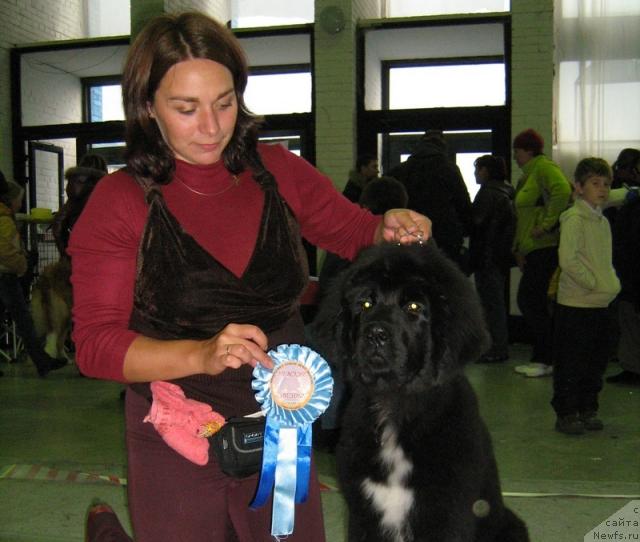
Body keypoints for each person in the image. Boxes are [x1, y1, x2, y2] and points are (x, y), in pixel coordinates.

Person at [68, 12, 431, 542]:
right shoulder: (120, 201)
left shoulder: (278, 171)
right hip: (177, 431)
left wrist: (388, 228)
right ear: (148, 107)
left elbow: (355, 229)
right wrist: (200, 354)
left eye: (224, 102)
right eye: (186, 108)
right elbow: (95, 346)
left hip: (282, 427)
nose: (212, 127)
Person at [313, 175, 409, 452]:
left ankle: (331, 430)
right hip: (365, 335)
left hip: (343, 327)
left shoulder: (349, 240)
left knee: (338, 372)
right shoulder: (396, 246)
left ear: (365, 204)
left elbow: (327, 286)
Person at [551, 158, 620, 434]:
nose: (602, 189)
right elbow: (568, 260)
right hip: (576, 305)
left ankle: (588, 407)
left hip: (601, 303)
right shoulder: (574, 219)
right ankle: (567, 412)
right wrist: (593, 283)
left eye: (606, 184)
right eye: (594, 184)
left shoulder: (602, 221)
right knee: (571, 362)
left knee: (596, 362)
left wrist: (609, 283)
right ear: (578, 188)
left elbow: (604, 259)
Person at [511, 128, 572, 377]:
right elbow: (522, 218)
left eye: (517, 151)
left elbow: (563, 191)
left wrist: (546, 225)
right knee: (532, 301)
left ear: (529, 150)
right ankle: (545, 356)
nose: (515, 156)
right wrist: (518, 248)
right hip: (532, 250)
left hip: (545, 247)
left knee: (530, 301)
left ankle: (545, 358)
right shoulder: (527, 176)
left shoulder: (543, 168)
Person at [0, 170, 66, 377]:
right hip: (6, 275)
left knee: (22, 319)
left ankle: (41, 359)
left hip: (6, 274)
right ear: (11, 200)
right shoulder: (4, 220)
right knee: (24, 320)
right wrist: (22, 265)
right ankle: (41, 360)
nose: (21, 204)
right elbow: (4, 249)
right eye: (19, 200)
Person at [388, 129, 473, 272]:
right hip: (445, 237)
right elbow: (462, 203)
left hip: (410, 235)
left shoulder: (401, 170)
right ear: (442, 146)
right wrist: (465, 229)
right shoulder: (449, 168)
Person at [469, 155, 516, 363]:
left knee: (490, 304)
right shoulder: (507, 192)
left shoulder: (488, 193)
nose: (475, 173)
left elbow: (476, 222)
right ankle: (499, 345)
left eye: (478, 169)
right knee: (496, 303)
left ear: (486, 171)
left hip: (486, 256)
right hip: (500, 256)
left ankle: (495, 348)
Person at [607, 183, 640, 386]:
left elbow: (626, 246)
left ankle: (633, 368)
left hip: (630, 280)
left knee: (629, 322)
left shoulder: (632, 208)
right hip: (632, 278)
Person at [51, 153, 108, 257]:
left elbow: (59, 225)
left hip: (74, 246)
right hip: (97, 249)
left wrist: (64, 254)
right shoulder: (103, 189)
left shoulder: (72, 196)